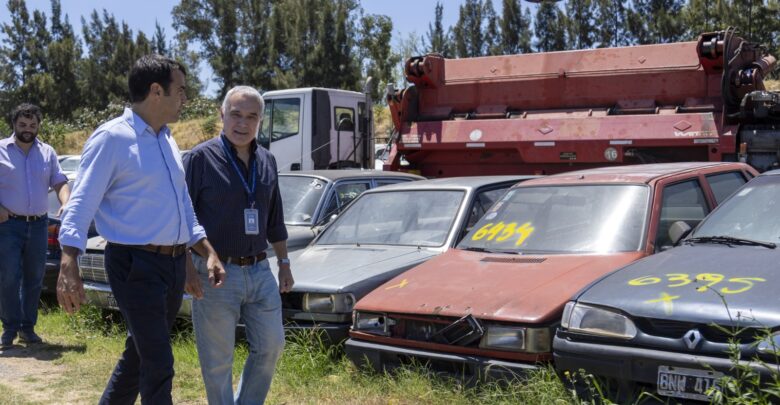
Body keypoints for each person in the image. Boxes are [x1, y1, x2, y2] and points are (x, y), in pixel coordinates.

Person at [56, 55, 226, 405]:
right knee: (158, 362)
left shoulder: (166, 139)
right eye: (180, 90)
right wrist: (68, 261)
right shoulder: (112, 138)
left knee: (140, 355)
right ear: (155, 91)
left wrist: (201, 253)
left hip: (168, 265)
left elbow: (180, 204)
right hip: (134, 264)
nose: (185, 98)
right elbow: (82, 201)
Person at [183, 85, 294, 404]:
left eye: (251, 116)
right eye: (235, 115)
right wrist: (187, 266)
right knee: (217, 361)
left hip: (260, 270)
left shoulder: (268, 160)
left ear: (260, 120)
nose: (242, 123)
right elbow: (180, 217)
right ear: (221, 115)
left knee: (272, 345)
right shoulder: (200, 158)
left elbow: (275, 218)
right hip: (216, 275)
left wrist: (284, 263)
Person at [0, 103, 70, 349]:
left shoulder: (48, 152)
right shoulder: (0, 149)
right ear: (14, 124)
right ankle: (9, 329)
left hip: (40, 224)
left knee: (34, 278)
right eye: (22, 125)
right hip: (8, 225)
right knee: (8, 277)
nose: (28, 129)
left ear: (39, 126)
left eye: (32, 125)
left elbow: (60, 181)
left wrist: (65, 202)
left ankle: (27, 329)